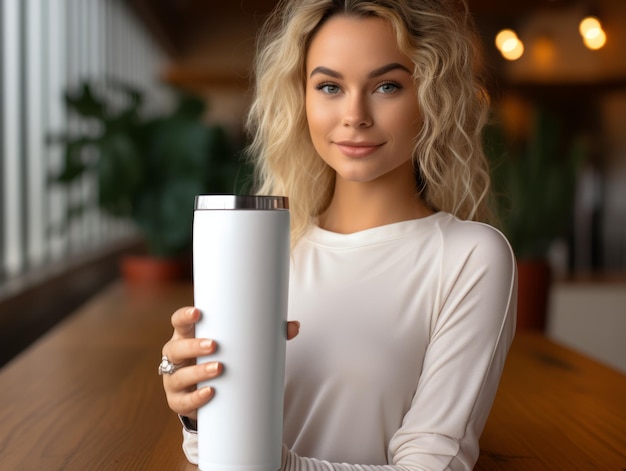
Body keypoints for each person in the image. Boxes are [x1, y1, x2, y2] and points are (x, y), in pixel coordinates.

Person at [160, 0, 517, 469]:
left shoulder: (471, 257)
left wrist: (272, 464)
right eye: (330, 86)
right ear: (301, 98)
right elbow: (214, 457)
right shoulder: (269, 250)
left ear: (431, 95)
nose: (355, 114)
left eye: (387, 86)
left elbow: (433, 465)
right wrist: (198, 411)